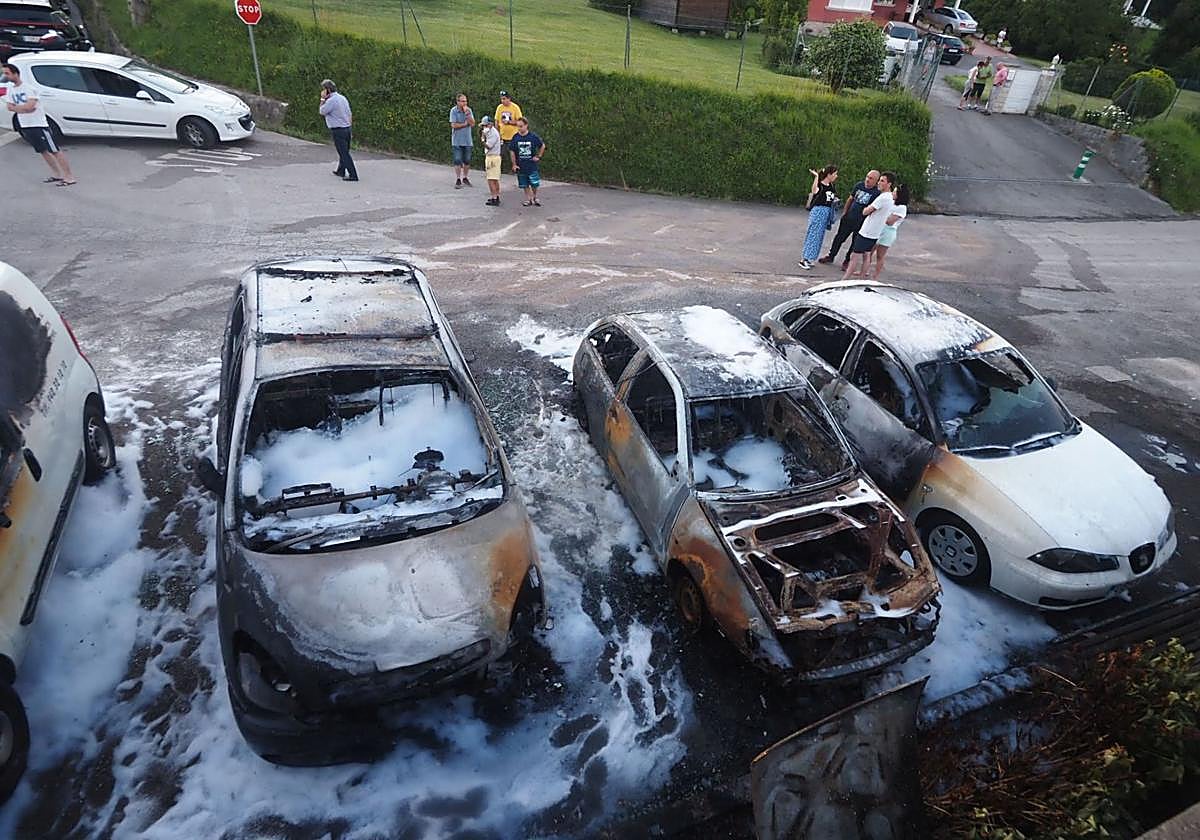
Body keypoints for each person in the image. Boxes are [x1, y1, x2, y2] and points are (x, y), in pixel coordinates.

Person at [3, 61, 76, 186]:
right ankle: (56, 174)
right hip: (26, 125)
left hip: (38, 124)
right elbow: (10, 107)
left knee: (54, 150)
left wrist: (19, 108)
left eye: (8, 73)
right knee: (42, 151)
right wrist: (22, 108)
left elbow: (31, 106)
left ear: (16, 74)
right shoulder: (10, 90)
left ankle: (69, 176)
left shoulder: (29, 88)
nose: (6, 76)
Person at [820, 169, 880, 268]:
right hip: (849, 218)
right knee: (839, 238)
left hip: (861, 221)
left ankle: (847, 261)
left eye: (871, 178)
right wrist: (845, 212)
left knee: (854, 243)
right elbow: (850, 199)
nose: (867, 180)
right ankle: (831, 256)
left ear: (876, 181)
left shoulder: (876, 193)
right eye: (867, 177)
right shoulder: (859, 185)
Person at [843, 172, 894, 280]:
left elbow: (866, 211)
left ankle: (845, 279)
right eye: (879, 180)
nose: (879, 183)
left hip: (868, 231)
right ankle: (861, 278)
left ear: (889, 184)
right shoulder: (889, 197)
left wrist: (865, 209)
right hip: (875, 232)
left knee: (854, 256)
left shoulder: (883, 198)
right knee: (866, 255)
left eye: (882, 181)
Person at [798, 165, 838, 271]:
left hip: (826, 212)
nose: (836, 176)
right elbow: (814, 190)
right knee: (813, 235)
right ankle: (804, 259)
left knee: (819, 236)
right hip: (818, 211)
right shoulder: (821, 184)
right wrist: (816, 177)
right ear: (829, 175)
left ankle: (810, 257)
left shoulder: (831, 185)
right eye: (834, 174)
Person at [319, 78, 357, 182]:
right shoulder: (342, 98)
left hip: (338, 130)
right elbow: (349, 113)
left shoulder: (331, 101)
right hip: (347, 128)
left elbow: (322, 111)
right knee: (344, 151)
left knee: (343, 153)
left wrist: (322, 99)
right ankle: (341, 170)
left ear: (327, 90)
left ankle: (353, 174)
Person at [870, 183, 908, 279]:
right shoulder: (891, 202)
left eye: (895, 192)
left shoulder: (902, 208)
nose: (892, 193)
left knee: (880, 255)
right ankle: (865, 269)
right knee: (869, 251)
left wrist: (882, 215)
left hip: (888, 232)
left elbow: (889, 221)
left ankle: (875, 275)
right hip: (879, 228)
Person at [510, 117, 546, 207]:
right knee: (524, 183)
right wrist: (514, 164)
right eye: (518, 126)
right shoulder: (515, 137)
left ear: (526, 125)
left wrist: (538, 156)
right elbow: (512, 151)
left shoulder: (533, 137)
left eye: (521, 126)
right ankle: (528, 199)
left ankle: (535, 197)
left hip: (531, 165)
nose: (519, 128)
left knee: (534, 183)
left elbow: (542, 146)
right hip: (521, 165)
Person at [449, 93, 476, 188]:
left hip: (467, 140)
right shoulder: (453, 111)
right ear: (458, 102)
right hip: (457, 140)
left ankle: (465, 177)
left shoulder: (469, 110)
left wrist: (467, 114)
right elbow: (453, 125)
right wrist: (465, 124)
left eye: (466, 101)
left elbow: (472, 124)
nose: (465, 103)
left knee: (467, 160)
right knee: (457, 160)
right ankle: (458, 179)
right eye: (463, 101)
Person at [494, 90, 523, 174]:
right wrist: (496, 133)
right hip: (502, 135)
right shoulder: (499, 108)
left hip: (513, 135)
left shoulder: (515, 108)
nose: (502, 101)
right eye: (501, 99)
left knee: (513, 153)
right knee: (501, 153)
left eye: (504, 99)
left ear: (509, 99)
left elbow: (519, 121)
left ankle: (514, 168)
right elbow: (497, 121)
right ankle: (500, 169)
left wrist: (509, 122)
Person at [480, 115, 502, 206]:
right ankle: (496, 196)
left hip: (492, 157)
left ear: (491, 124)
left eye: (486, 125)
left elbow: (489, 146)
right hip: (492, 157)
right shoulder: (490, 132)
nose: (484, 127)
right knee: (494, 179)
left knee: (491, 179)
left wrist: (482, 140)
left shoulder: (493, 133)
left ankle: (494, 198)